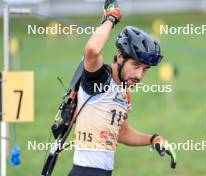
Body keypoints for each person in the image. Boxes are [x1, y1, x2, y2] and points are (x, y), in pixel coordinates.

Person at [68, 1, 175, 175]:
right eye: (135, 65)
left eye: (145, 69)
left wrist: (152, 139)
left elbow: (122, 132)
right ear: (120, 57)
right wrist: (110, 17)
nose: (139, 75)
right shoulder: (100, 79)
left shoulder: (123, 91)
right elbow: (92, 50)